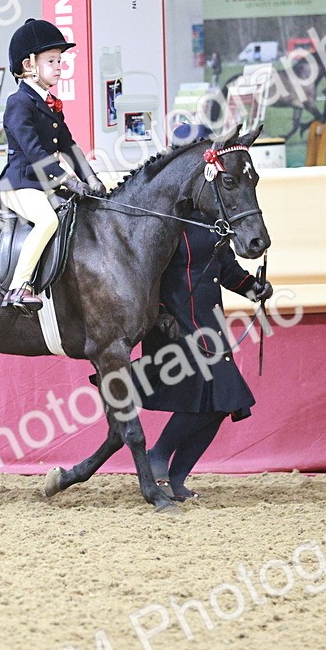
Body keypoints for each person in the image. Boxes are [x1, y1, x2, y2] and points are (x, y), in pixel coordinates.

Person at [122, 125, 272, 500]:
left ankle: (175, 476)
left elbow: (224, 265)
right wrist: (158, 314)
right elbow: (145, 274)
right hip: (174, 325)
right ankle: (157, 455)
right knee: (223, 396)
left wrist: (252, 287)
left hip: (208, 323)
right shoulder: (163, 219)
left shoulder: (212, 214)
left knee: (222, 404)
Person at [0, 19, 107, 312]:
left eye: (60, 60)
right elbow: (32, 150)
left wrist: (90, 178)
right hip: (21, 183)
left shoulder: (48, 103)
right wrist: (67, 180)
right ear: (29, 64)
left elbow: (69, 145)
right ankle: (18, 287)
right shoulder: (18, 102)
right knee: (48, 221)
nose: (59, 66)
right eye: (52, 60)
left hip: (44, 183)